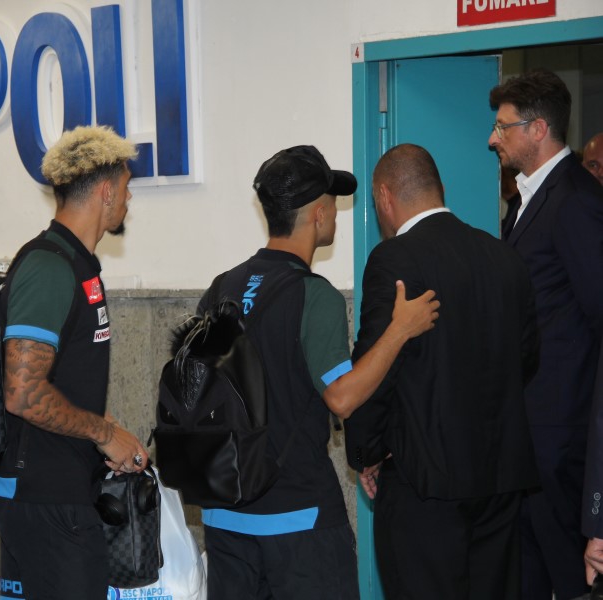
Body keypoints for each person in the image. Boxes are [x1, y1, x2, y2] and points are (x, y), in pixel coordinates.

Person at [196, 145, 439, 599]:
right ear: (319, 214)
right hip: (298, 520)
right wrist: (400, 330)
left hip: (225, 518)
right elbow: (341, 397)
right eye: (333, 204)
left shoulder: (221, 287)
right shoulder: (313, 295)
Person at [344, 143, 540, 599]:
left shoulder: (393, 259)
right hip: (499, 478)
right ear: (441, 190)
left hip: (424, 482)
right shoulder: (504, 256)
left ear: (384, 196)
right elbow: (528, 359)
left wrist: (367, 452)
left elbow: (377, 370)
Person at [0, 125, 150, 599]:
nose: (129, 198)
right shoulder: (50, 267)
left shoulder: (76, 264)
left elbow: (64, 379)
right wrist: (103, 434)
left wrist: (107, 428)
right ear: (105, 191)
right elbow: (23, 393)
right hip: (42, 496)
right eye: (126, 186)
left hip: (55, 489)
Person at [490, 69, 603, 600]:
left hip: (562, 438)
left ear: (537, 130)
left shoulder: (576, 198)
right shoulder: (526, 200)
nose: (493, 138)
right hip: (529, 436)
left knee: (570, 579)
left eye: (503, 126)